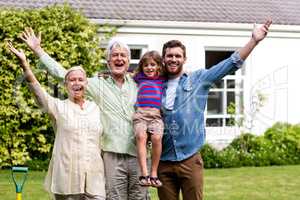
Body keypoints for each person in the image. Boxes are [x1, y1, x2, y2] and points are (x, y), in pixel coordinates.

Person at [20, 28, 149, 200]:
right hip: (112, 155)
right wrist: (38, 51)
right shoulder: (96, 85)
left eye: (123, 55)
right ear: (108, 61)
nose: (119, 58)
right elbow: (64, 74)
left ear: (128, 60)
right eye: (115, 55)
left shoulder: (138, 84)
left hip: (137, 154)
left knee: (140, 197)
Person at [157, 19, 272, 200]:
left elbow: (231, 63)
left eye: (177, 56)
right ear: (163, 58)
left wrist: (254, 41)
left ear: (184, 59)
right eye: (169, 55)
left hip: (190, 159)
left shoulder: (199, 79)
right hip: (163, 161)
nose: (173, 59)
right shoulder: (155, 85)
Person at [7, 42, 105, 200]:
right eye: (72, 80)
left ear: (86, 84)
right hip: (67, 178)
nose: (76, 83)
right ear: (65, 85)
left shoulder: (96, 108)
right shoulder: (58, 107)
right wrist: (25, 65)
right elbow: (38, 92)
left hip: (95, 178)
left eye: (81, 79)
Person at [132, 51, 166, 187]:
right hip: (140, 114)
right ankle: (144, 174)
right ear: (142, 67)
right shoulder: (139, 77)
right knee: (141, 136)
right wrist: (106, 74)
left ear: (159, 66)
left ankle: (153, 173)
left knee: (157, 138)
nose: (149, 68)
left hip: (156, 115)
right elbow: (125, 76)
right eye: (146, 65)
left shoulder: (162, 79)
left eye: (153, 64)